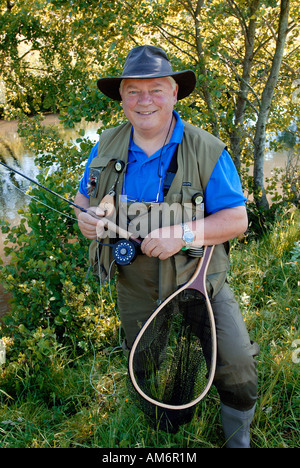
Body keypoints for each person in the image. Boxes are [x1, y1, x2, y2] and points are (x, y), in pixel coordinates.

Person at [73, 45, 259, 448]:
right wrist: (85, 218)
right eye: (134, 92)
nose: (145, 101)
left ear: (175, 93)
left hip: (199, 281)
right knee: (144, 363)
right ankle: (158, 434)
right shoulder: (105, 145)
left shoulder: (207, 149)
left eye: (156, 90)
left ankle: (238, 438)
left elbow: (237, 220)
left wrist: (183, 234)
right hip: (135, 284)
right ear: (121, 97)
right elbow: (83, 199)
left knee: (238, 364)